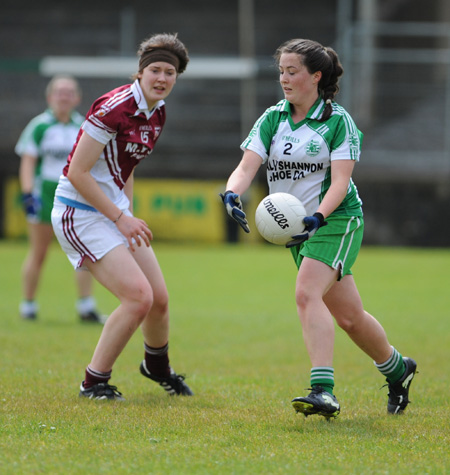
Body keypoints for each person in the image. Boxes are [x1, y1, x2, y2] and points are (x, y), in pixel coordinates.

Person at [221, 38, 416, 418]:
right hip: (299, 229)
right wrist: (231, 194)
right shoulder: (273, 118)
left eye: (292, 71)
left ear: (316, 76)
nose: (284, 78)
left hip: (336, 221)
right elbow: (247, 167)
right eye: (281, 71)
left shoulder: (337, 121)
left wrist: (318, 218)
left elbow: (341, 183)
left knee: (306, 294)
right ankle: (398, 369)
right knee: (349, 317)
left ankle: (322, 391)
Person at [51, 33, 193, 400]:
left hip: (111, 213)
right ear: (141, 71)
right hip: (78, 213)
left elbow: (127, 167)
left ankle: (157, 367)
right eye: (155, 70)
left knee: (158, 299)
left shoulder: (157, 110)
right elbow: (78, 173)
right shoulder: (113, 106)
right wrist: (120, 218)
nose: (162, 78)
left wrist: (125, 213)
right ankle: (93, 382)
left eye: (170, 72)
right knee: (138, 298)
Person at [15, 75, 105, 323]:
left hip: (75, 196)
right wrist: (27, 194)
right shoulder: (40, 126)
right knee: (39, 252)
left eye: (69, 92)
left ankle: (86, 305)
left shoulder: (84, 126)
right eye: (59, 92)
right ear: (49, 97)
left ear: (77, 98)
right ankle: (28, 305)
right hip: (44, 194)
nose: (64, 96)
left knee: (84, 253)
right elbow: (28, 161)